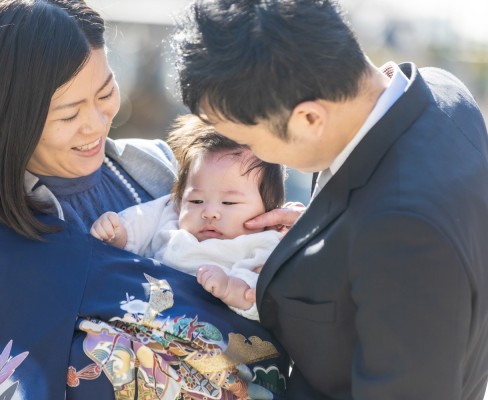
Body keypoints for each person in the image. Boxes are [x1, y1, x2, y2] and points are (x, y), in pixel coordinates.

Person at [0, 1, 304, 399]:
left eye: (105, 94)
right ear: (8, 117)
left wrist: (295, 248)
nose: (95, 125)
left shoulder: (162, 173)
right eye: (68, 114)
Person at [172, 0, 488, 399]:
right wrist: (328, 231)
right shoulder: (441, 92)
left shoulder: (405, 230)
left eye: (248, 140)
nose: (254, 154)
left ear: (308, 118)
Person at [91, 114, 287, 320]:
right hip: (146, 317)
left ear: (270, 212)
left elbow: (263, 300)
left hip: (209, 328)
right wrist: (117, 233)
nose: (209, 212)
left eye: (229, 203)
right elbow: (138, 226)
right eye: (196, 200)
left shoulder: (264, 243)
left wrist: (231, 288)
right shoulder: (170, 215)